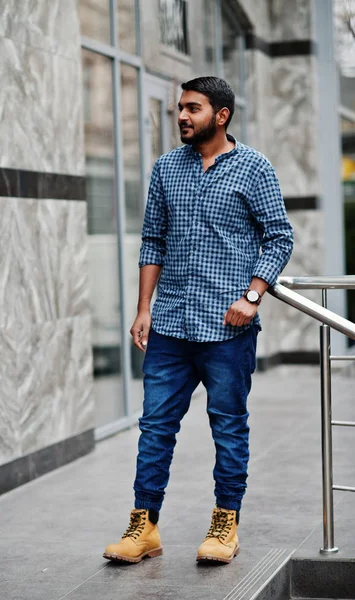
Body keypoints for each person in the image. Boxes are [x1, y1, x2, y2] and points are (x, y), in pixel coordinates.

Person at [103, 76, 294, 564]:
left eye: (192, 108)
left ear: (221, 114)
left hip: (227, 328)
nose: (182, 116)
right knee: (155, 428)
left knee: (228, 427)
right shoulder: (167, 167)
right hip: (169, 324)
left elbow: (279, 237)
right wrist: (144, 309)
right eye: (179, 109)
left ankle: (225, 524)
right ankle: (143, 527)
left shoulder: (254, 168)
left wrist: (252, 295)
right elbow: (153, 242)